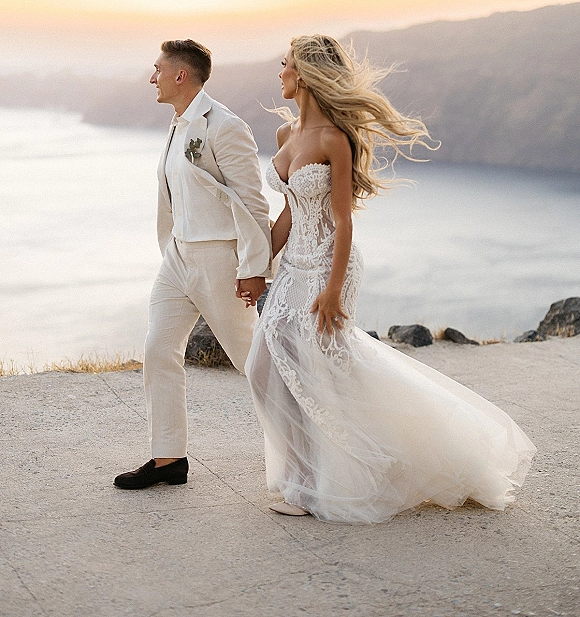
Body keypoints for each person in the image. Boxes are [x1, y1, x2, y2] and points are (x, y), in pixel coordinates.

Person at [245, 35, 536, 522]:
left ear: (306, 74)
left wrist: (333, 291)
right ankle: (306, 476)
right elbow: (290, 213)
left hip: (329, 265)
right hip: (293, 265)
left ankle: (314, 487)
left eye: (285, 64)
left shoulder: (334, 139)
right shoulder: (284, 135)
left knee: (325, 376)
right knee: (263, 368)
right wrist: (257, 268)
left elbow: (343, 222)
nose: (280, 72)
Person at [114, 39, 271, 489]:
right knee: (158, 349)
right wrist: (172, 249)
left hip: (218, 260)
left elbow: (253, 202)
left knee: (253, 360)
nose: (152, 77)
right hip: (178, 257)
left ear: (180, 75)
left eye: (158, 69)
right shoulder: (177, 124)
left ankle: (307, 446)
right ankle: (168, 459)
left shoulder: (225, 126)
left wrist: (253, 267)